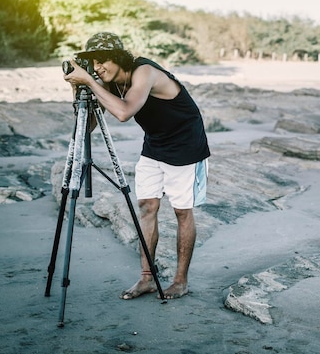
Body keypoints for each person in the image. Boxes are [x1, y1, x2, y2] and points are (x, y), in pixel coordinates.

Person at [62, 32, 210, 300]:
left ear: (118, 58)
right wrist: (78, 90)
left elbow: (123, 112)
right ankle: (147, 279)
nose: (97, 68)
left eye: (102, 61)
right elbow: (89, 127)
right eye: (92, 64)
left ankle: (180, 281)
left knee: (181, 211)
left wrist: (89, 82)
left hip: (185, 143)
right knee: (147, 206)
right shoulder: (107, 82)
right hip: (155, 142)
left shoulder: (145, 72)